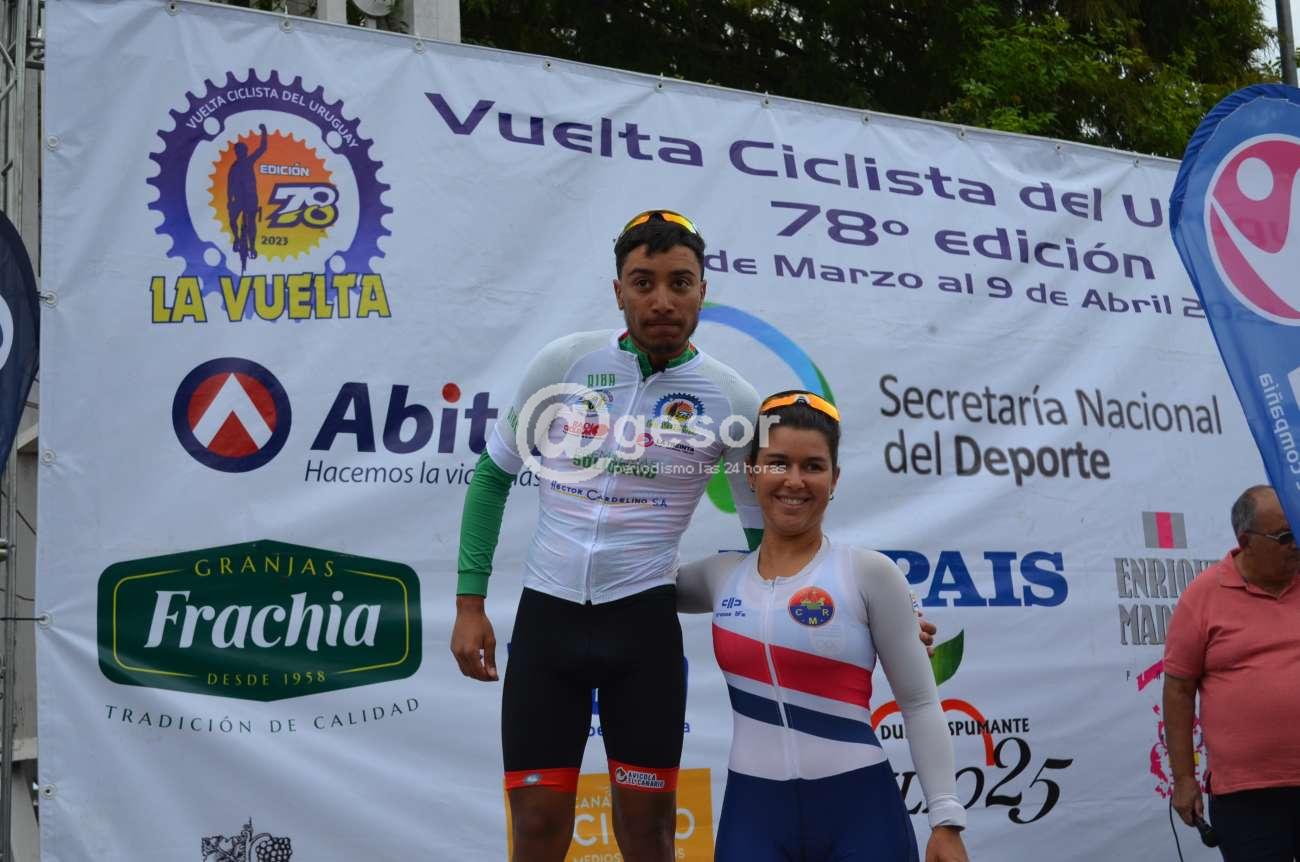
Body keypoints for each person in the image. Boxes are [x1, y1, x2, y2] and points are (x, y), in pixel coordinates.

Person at [677, 391, 969, 862]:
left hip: (861, 815)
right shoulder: (719, 575)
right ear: (751, 472)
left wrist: (946, 819)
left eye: (812, 466)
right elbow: (628, 585)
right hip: (753, 817)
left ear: (834, 479)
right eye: (778, 463)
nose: (794, 481)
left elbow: (918, 702)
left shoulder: (869, 574)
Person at [1164, 484, 1300, 860]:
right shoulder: (1204, 595)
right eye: (1285, 537)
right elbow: (1178, 690)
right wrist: (1184, 779)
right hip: (1246, 797)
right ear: (1246, 541)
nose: (1296, 545)